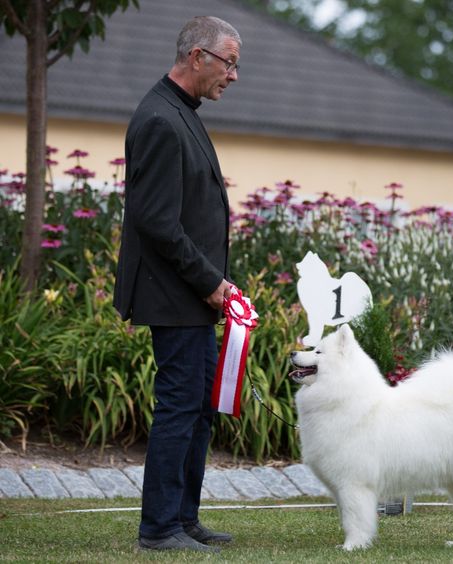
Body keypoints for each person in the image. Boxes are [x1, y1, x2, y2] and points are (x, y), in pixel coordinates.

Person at [113, 16, 241, 553]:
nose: (233, 75)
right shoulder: (161, 120)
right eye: (229, 62)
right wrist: (212, 284)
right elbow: (159, 223)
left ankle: (183, 518)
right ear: (197, 57)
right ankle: (159, 528)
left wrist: (215, 285)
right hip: (176, 296)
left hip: (193, 296)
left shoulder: (181, 113)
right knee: (180, 407)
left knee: (199, 409)